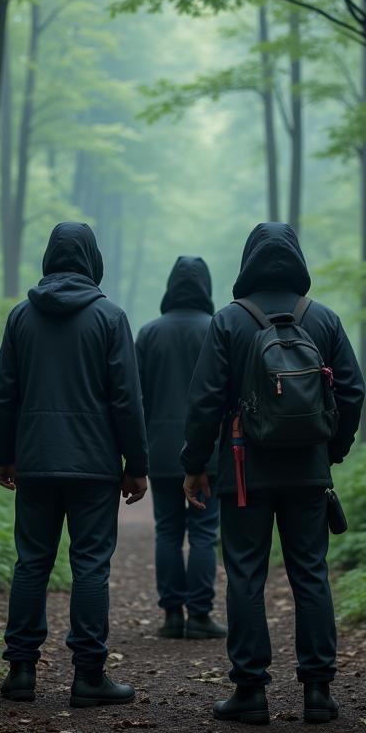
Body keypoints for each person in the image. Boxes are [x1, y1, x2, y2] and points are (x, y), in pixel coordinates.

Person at [182, 223, 365, 726]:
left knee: (245, 573)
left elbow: (204, 402)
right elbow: (351, 391)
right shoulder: (322, 318)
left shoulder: (229, 321)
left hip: (245, 470)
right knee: (311, 573)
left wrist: (195, 465)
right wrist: (333, 449)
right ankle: (319, 692)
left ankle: (250, 691)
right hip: (309, 471)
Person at [0, 222, 148, 708]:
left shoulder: (21, 317)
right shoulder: (110, 317)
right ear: (92, 259)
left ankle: (20, 673)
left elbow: (1, 394)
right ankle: (88, 677)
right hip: (94, 464)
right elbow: (126, 398)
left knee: (31, 563)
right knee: (90, 567)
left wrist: (5, 455)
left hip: (36, 460)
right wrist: (136, 463)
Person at [136, 257, 226, 641]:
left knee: (167, 531)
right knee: (204, 532)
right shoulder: (217, 328)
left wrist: (134, 452)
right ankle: (201, 615)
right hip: (209, 450)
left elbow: (136, 397)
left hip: (160, 450)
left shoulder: (149, 333)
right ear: (205, 286)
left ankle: (172, 614)